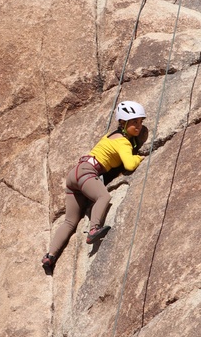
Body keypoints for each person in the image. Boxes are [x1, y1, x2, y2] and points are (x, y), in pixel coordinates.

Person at [42, 101, 148, 271]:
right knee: (103, 196)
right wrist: (140, 158)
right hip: (87, 173)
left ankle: (50, 256)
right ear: (123, 123)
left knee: (70, 221)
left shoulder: (110, 135)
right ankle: (94, 230)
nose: (139, 126)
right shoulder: (123, 142)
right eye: (134, 122)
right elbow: (129, 164)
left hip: (75, 174)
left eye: (140, 122)